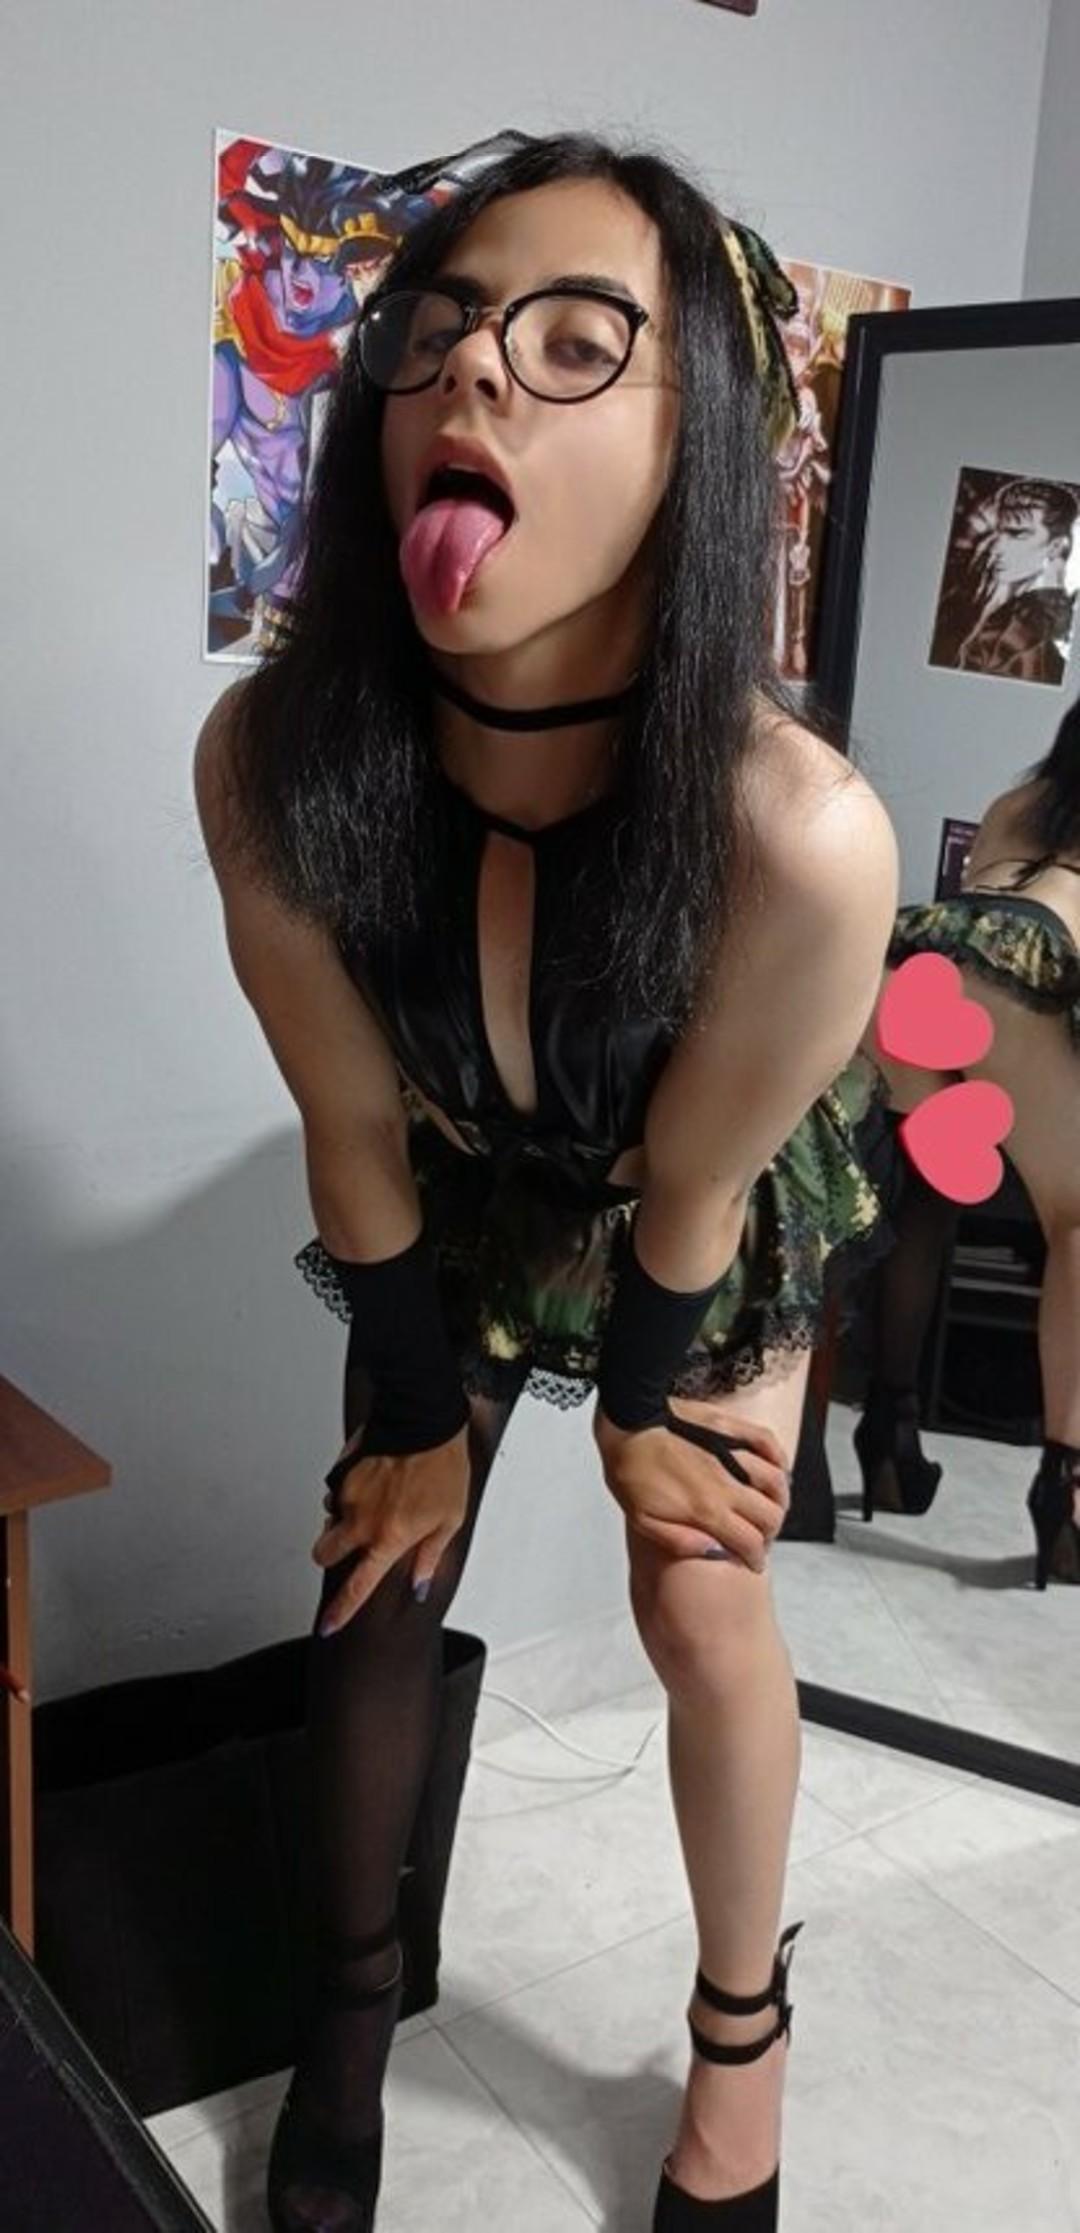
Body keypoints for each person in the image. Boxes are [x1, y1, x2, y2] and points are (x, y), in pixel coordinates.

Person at [195, 131, 898, 2233]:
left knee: (700, 1588)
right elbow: (351, 1127)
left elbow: (694, 1182)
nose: (476, 371)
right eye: (435, 331)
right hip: (447, 1176)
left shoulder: (801, 837)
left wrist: (650, 1406)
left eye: (579, 342)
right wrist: (416, 1420)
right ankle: (346, 2028)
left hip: (687, 1199)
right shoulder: (274, 761)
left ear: (703, 450)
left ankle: (742, 2036)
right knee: (374, 1574)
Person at [854, 690, 1080, 1590]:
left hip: (913, 957)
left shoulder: (1018, 803)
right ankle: (1067, 1490)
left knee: (922, 1192)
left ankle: (883, 1433)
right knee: (1075, 1226)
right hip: (1029, 966)